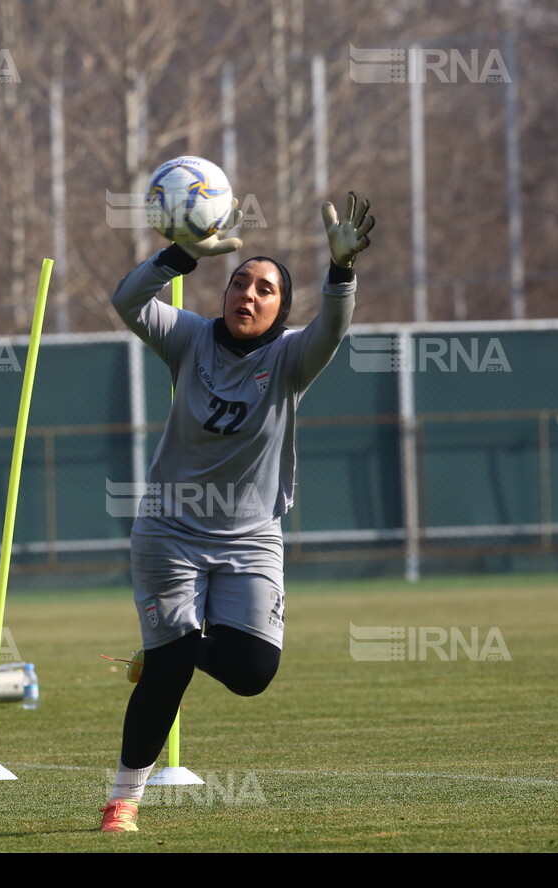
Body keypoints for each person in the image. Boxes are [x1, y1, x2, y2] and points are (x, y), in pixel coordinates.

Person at [99, 192, 375, 833]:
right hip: (169, 528)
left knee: (253, 672)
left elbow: (333, 329)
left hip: (250, 537)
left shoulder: (290, 359)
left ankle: (169, 646)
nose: (248, 295)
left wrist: (342, 273)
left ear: (283, 307)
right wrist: (175, 257)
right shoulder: (189, 338)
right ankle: (123, 799)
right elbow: (126, 304)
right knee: (169, 669)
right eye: (240, 283)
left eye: (266, 290)